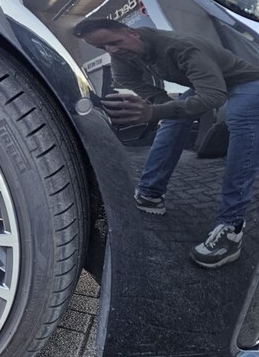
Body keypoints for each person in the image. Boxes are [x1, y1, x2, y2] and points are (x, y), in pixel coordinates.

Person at [73, 18, 259, 268]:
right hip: (208, 83)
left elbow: (215, 95)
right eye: (102, 47)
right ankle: (150, 193)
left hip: (247, 82)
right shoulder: (122, 54)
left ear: (132, 33)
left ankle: (231, 227)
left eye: (114, 42)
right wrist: (159, 103)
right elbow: (128, 81)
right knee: (173, 117)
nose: (112, 50)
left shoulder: (181, 48)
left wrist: (154, 112)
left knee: (241, 122)